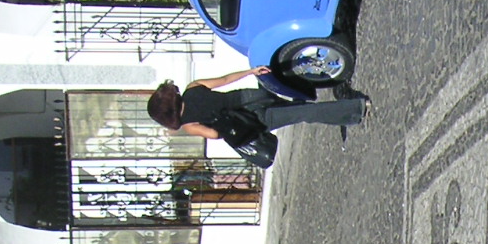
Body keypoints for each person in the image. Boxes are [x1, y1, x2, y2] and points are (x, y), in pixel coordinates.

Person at [146, 68, 368, 139]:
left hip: (250, 120)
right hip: (250, 97)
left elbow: (214, 134)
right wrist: (251, 71)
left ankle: (355, 109)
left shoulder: (189, 125)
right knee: (296, 109)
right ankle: (344, 113)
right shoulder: (192, 88)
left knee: (302, 114)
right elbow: (225, 79)